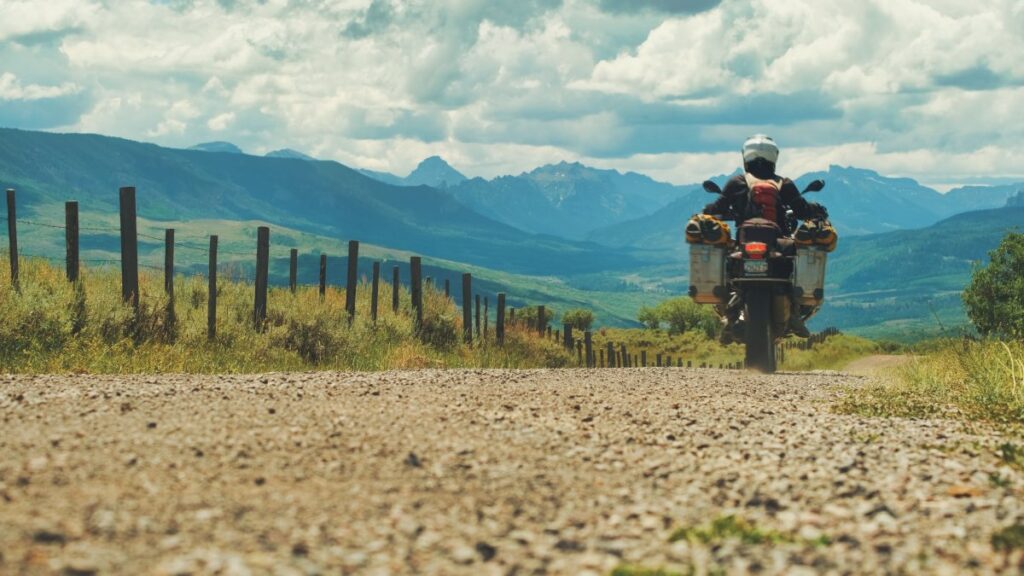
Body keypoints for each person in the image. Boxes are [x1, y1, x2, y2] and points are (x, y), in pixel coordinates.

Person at [702, 134, 828, 340]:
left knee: (726, 267)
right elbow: (802, 209)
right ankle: (794, 314)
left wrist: (708, 210)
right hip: (776, 243)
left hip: (743, 244)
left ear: (746, 157)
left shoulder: (737, 182)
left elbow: (717, 208)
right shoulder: (784, 184)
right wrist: (814, 209)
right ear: (773, 157)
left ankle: (728, 317)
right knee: (793, 263)